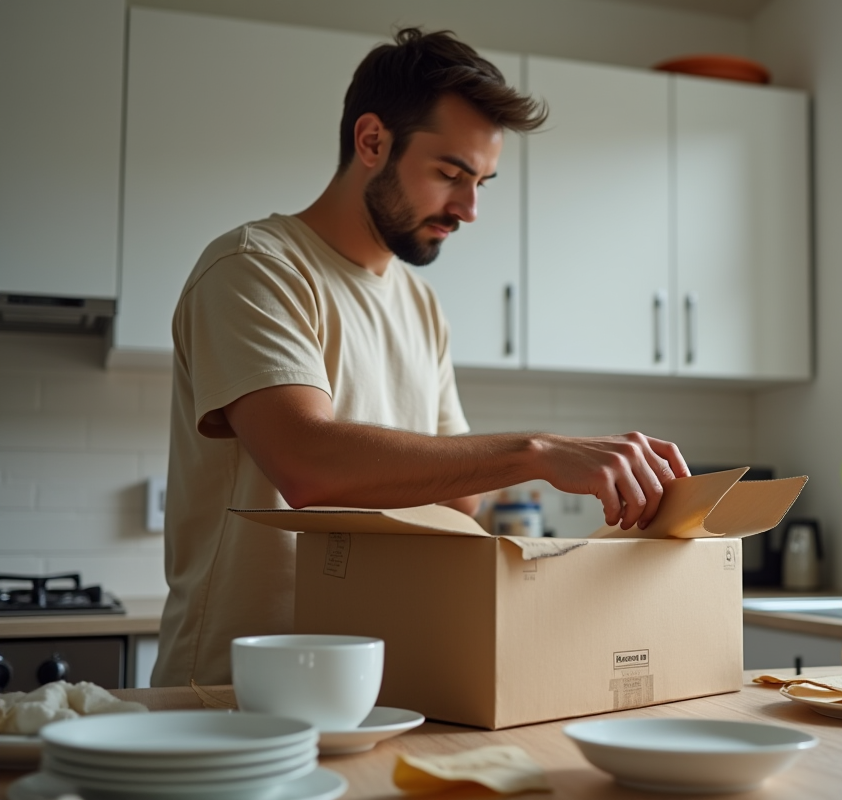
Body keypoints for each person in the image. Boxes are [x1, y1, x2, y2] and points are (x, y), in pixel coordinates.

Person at [152, 28, 689, 687]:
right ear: (372, 141)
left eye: (482, 182)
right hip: (235, 690)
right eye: (450, 174)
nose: (468, 209)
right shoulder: (256, 268)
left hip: (378, 684)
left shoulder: (420, 304)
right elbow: (306, 464)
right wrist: (538, 451)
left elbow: (459, 503)